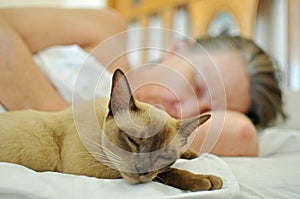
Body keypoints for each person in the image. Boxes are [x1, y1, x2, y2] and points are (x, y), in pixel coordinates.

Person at [0, 7, 286, 156]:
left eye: (205, 115)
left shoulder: (135, 145)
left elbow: (242, 135)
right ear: (176, 49)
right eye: (197, 85)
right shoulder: (106, 33)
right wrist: (67, 126)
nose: (185, 111)